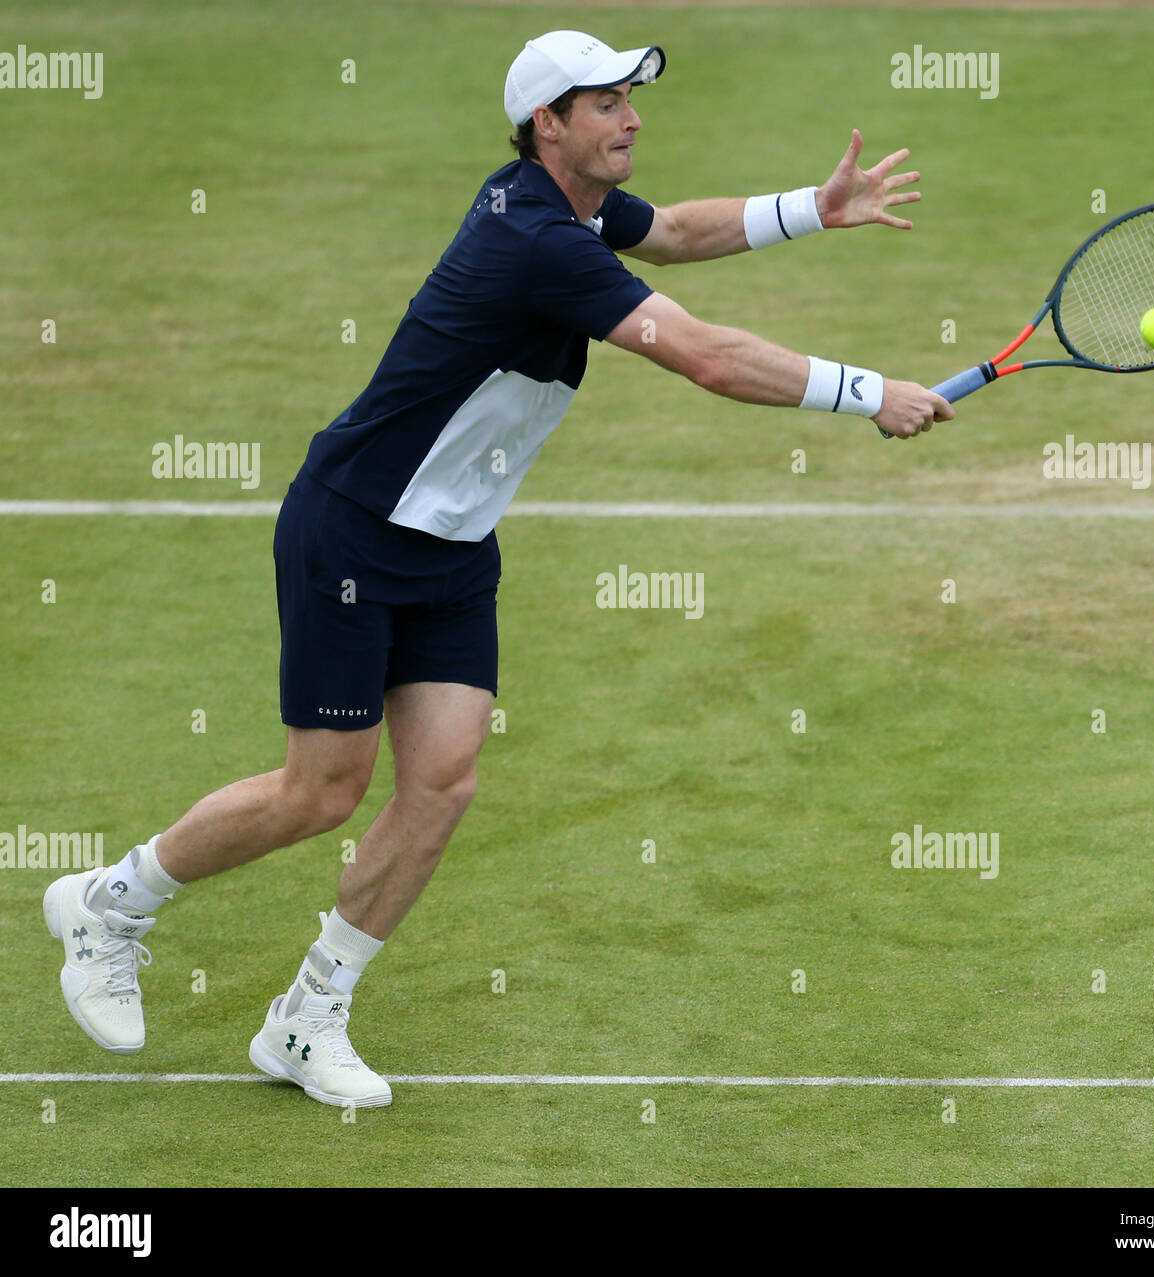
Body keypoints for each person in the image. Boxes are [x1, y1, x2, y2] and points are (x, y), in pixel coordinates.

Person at [43, 29, 954, 1109]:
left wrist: (812, 205)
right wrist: (867, 393)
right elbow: (705, 353)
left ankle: (307, 1016)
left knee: (441, 783)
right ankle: (113, 899)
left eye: (629, 98)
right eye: (605, 102)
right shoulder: (534, 240)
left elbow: (666, 233)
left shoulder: (563, 205)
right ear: (546, 124)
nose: (631, 118)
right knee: (321, 791)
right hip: (353, 532)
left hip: (454, 547)